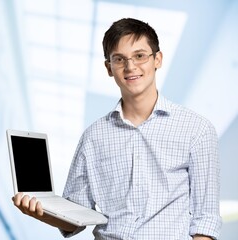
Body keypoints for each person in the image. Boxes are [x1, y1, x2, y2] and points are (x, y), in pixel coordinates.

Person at [12, 18, 222, 239]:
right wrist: (41, 212)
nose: (130, 67)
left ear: (157, 59)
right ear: (109, 67)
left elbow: (205, 220)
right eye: (119, 59)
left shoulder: (196, 129)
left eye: (140, 56)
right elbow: (74, 220)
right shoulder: (93, 137)